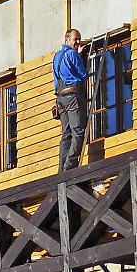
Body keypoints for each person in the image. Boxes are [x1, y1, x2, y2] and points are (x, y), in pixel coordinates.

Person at [53, 28, 89, 171]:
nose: (78, 42)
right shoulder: (72, 54)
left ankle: (61, 168)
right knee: (78, 132)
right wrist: (81, 57)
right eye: (76, 39)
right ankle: (69, 167)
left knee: (66, 134)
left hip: (60, 98)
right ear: (67, 38)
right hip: (73, 95)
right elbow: (83, 75)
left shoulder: (57, 56)